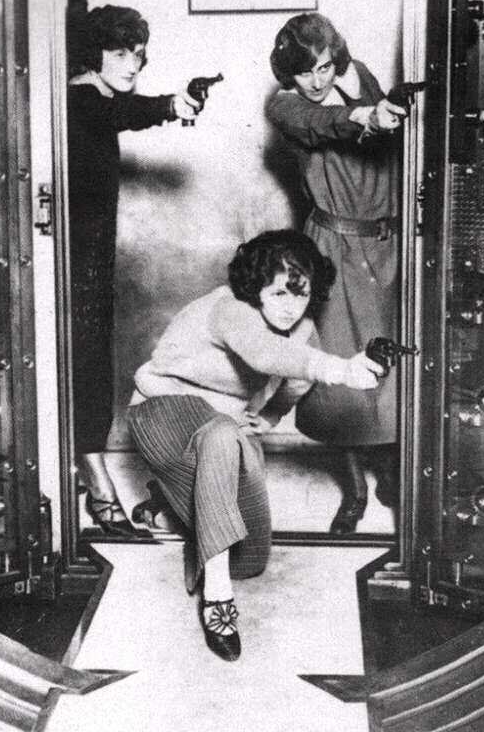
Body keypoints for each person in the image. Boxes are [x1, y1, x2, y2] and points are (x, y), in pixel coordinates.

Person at [125, 230, 382, 661]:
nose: (290, 306)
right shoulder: (230, 307)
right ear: (256, 286)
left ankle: (176, 499)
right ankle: (217, 600)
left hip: (224, 431)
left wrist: (270, 416)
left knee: (250, 560)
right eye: (279, 292)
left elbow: (296, 379)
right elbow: (264, 354)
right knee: (222, 435)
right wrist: (340, 370)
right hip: (164, 410)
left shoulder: (302, 329)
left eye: (301, 294)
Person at [266, 13, 406, 535]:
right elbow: (323, 122)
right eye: (304, 72)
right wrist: (366, 115)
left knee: (393, 370)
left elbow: (368, 101)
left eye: (324, 67)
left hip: (388, 245)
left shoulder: (358, 75)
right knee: (339, 371)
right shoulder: (284, 106)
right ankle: (354, 490)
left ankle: (391, 471)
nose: (316, 80)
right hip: (333, 249)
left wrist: (376, 106)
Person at [68, 4, 199, 536]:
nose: (132, 65)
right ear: (92, 54)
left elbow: (117, 110)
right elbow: (114, 113)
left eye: (138, 55)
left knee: (90, 367)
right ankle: (99, 488)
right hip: (70, 263)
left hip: (89, 259)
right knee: (84, 368)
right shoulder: (80, 97)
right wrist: (169, 105)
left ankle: (90, 474)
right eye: (120, 53)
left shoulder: (96, 99)